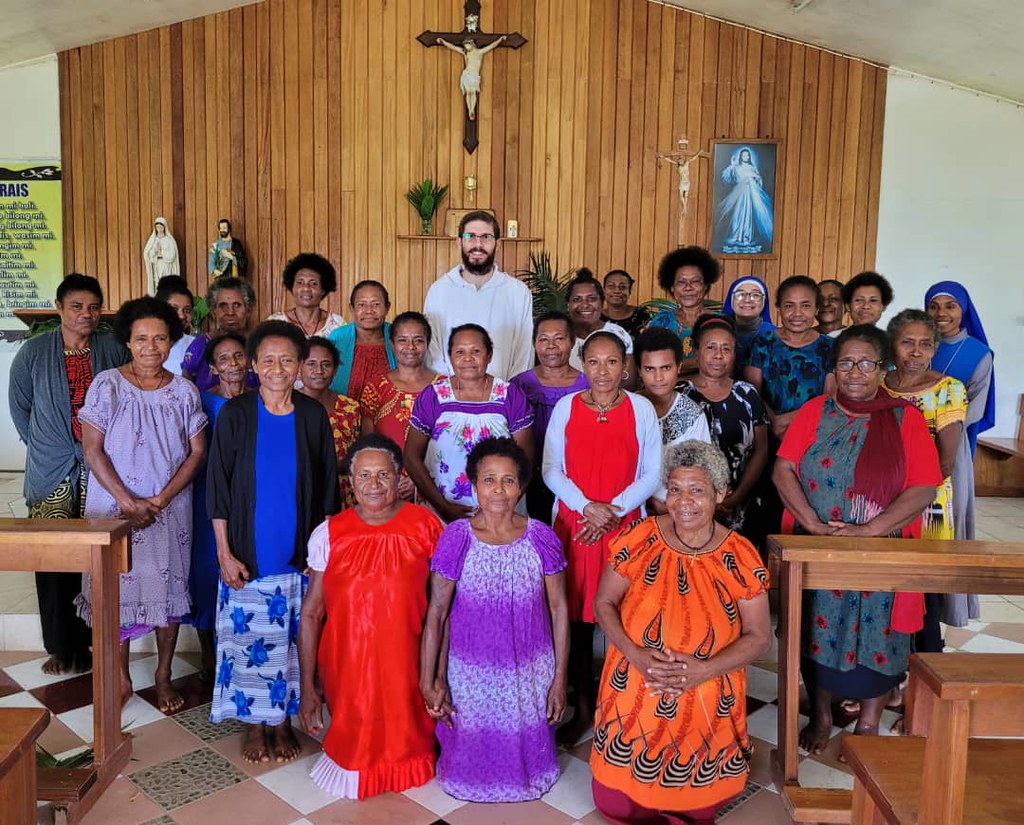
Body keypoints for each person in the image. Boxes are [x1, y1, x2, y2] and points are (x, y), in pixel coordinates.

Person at [773, 325, 941, 751]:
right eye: (846, 362)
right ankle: (823, 716)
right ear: (834, 368)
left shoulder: (906, 419)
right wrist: (810, 522)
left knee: (880, 636)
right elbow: (784, 469)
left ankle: (868, 724)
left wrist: (870, 530)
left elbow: (923, 487)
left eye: (866, 363)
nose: (855, 372)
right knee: (813, 630)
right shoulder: (814, 412)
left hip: (880, 553)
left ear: (881, 368)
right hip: (821, 551)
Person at [591, 441, 772, 825]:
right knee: (619, 804)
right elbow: (603, 604)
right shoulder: (639, 538)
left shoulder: (740, 556)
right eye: (674, 489)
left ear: (720, 494)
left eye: (697, 490)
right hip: (634, 683)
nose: (683, 501)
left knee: (695, 808)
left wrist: (702, 671)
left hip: (705, 699)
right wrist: (635, 655)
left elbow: (760, 636)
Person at [207, 321, 340, 763]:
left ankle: (282, 721)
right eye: (268, 360)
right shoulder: (237, 414)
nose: (278, 368)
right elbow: (218, 489)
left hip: (298, 555)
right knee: (250, 642)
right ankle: (254, 724)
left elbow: (326, 491)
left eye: (287, 360)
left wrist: (320, 554)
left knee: (291, 644)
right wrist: (224, 553)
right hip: (247, 553)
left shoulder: (312, 415)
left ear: (300, 365)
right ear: (253, 365)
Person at [75, 297, 207, 711]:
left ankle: (163, 678)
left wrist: (160, 499)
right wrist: (126, 501)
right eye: (142, 339)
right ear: (128, 342)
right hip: (114, 511)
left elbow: (197, 452)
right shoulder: (107, 384)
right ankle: (120, 679)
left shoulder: (184, 391)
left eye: (161, 338)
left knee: (166, 595)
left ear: (172, 341)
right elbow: (92, 449)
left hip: (168, 511)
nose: (152, 347)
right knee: (115, 593)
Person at [421, 437, 569, 801]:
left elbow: (559, 609)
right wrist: (430, 678)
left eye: (508, 480)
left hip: (530, 668)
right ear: (473, 485)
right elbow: (438, 612)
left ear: (521, 486)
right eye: (488, 480)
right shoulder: (457, 538)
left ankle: (525, 776)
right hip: (471, 670)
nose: (498, 490)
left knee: (524, 733)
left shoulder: (542, 539)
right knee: (473, 732)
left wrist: (559, 681)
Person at [299, 435, 443, 799]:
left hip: (408, 659)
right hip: (347, 662)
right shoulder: (330, 534)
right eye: (364, 476)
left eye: (383, 475)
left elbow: (443, 609)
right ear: (350, 481)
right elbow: (313, 612)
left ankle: (406, 762)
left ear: (399, 479)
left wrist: (439, 673)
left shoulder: (426, 526)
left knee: (405, 726)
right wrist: (307, 687)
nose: (374, 485)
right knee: (356, 722)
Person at [542, 331, 662, 746]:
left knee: (623, 617)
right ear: (583, 365)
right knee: (573, 619)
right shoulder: (566, 407)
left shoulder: (641, 409)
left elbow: (651, 473)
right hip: (575, 527)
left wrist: (611, 510)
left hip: (625, 528)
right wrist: (586, 507)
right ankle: (582, 706)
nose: (603, 371)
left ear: (625, 365)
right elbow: (551, 469)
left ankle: (620, 707)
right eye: (594, 362)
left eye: (612, 362)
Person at [9, 274, 129, 675]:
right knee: (54, 557)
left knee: (97, 556)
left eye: (94, 307)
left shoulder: (113, 348)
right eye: (77, 306)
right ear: (59, 307)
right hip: (52, 469)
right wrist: (52, 447)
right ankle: (60, 646)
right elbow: (21, 409)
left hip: (103, 467)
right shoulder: (33, 352)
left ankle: (94, 640)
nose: (86, 314)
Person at [883, 309, 977, 636]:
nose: (916, 352)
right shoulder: (879, 385)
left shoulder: (948, 390)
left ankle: (926, 657)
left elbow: (945, 461)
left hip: (929, 503)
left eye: (925, 344)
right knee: (886, 584)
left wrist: (906, 497)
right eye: (907, 342)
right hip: (879, 501)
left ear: (935, 349)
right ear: (891, 346)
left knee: (923, 589)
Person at [405, 324, 534, 521]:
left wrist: (501, 508)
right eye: (459, 352)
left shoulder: (509, 395)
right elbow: (411, 456)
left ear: (489, 355)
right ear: (450, 356)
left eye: (476, 351)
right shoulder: (433, 396)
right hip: (440, 510)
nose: (468, 359)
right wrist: (443, 507)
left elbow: (526, 460)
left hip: (502, 512)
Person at [185, 332, 251, 682]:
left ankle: (240, 649)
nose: (233, 365)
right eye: (224, 359)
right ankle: (208, 653)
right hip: (208, 494)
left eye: (239, 356)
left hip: (246, 498)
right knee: (208, 569)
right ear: (213, 367)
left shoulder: (259, 401)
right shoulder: (202, 402)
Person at [423, 211, 534, 381]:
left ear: (498, 244)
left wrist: (508, 393)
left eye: (486, 237)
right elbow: (433, 351)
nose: (478, 244)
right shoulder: (439, 291)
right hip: (452, 399)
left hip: (503, 398)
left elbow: (524, 351)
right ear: (459, 242)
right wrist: (453, 392)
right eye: (471, 236)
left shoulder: (518, 292)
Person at [684, 315, 769, 535]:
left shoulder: (747, 393)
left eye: (726, 349)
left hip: (741, 504)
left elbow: (761, 449)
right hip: (688, 506)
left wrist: (736, 497)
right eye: (710, 347)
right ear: (696, 351)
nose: (718, 356)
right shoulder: (680, 394)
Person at [510, 311, 589, 522]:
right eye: (544, 339)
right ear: (535, 344)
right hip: (531, 478)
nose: (551, 346)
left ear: (572, 342)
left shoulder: (588, 385)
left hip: (577, 480)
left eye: (559, 338)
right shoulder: (518, 385)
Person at [359, 311, 437, 502]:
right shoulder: (376, 386)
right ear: (392, 344)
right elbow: (368, 442)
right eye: (403, 340)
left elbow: (447, 442)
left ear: (428, 343)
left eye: (418, 340)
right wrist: (392, 478)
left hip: (433, 485)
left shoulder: (442, 388)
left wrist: (417, 479)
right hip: (385, 485)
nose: (410, 347)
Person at [744, 275, 834, 440]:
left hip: (813, 433)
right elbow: (751, 392)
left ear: (816, 309)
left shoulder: (829, 347)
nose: (797, 313)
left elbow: (828, 399)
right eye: (789, 306)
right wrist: (772, 422)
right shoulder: (763, 343)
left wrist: (784, 421)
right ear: (779, 308)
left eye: (805, 305)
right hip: (766, 432)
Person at [633, 327, 711, 512]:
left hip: (676, 509)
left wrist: (668, 501)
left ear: (679, 368)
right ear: (639, 371)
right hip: (629, 505)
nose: (658, 377)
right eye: (650, 369)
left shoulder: (692, 414)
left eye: (666, 368)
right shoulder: (627, 408)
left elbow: (698, 470)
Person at [925, 281, 995, 461]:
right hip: (912, 435)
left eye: (950, 306)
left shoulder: (979, 353)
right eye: (933, 307)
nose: (941, 313)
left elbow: (976, 407)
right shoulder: (918, 345)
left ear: (963, 310)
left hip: (952, 438)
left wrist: (939, 431)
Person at [647, 246, 721, 376]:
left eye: (695, 281)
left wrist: (672, 366)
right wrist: (702, 362)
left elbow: (726, 363)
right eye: (681, 282)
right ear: (672, 288)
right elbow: (649, 362)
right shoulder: (661, 321)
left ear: (705, 286)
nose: (688, 288)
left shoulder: (720, 322)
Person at [182, 277, 258, 392]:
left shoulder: (259, 345)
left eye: (237, 305)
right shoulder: (201, 345)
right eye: (223, 306)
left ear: (248, 309)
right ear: (213, 311)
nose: (230, 312)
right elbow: (185, 386)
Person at [298, 337, 362, 476]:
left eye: (326, 364)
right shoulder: (287, 405)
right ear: (299, 367)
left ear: (335, 369)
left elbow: (359, 454)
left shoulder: (350, 407)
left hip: (343, 489)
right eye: (311, 364)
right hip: (301, 488)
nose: (319, 371)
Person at [326, 279, 397, 401]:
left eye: (376, 304)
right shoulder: (338, 337)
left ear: (387, 307)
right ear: (352, 308)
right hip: (344, 416)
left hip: (390, 414)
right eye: (361, 305)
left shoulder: (397, 336)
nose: (369, 311)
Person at [565, 270, 635, 383]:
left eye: (591, 299)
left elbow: (629, 382)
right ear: (568, 305)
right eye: (577, 299)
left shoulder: (617, 334)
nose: (585, 305)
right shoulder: (560, 336)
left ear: (602, 303)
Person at [267, 252, 344, 338]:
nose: (306, 288)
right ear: (292, 287)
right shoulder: (275, 323)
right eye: (300, 283)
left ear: (323, 289)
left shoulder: (338, 325)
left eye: (313, 284)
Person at [715, 146, 774, 255]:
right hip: (739, 194)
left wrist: (755, 179)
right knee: (738, 215)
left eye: (747, 155)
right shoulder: (736, 167)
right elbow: (727, 178)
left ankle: (746, 237)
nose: (745, 157)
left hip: (750, 195)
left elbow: (759, 181)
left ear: (749, 157)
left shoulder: (752, 167)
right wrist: (732, 165)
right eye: (743, 155)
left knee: (748, 216)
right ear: (741, 156)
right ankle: (736, 235)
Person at [435, 35, 507, 121]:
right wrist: (442, 41)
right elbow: (453, 47)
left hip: (474, 75)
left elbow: (492, 45)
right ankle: (470, 110)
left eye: (467, 45)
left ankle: (472, 109)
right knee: (468, 92)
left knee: (473, 92)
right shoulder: (465, 52)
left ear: (472, 44)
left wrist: (501, 39)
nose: (466, 47)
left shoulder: (479, 52)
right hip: (467, 74)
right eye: (465, 46)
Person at [721, 276, 774, 369]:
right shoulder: (716, 331)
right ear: (731, 300)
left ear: (764, 302)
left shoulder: (776, 335)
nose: (747, 300)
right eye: (740, 294)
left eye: (755, 295)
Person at [155, 275, 195, 376]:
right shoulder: (142, 345)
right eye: (174, 309)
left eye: (187, 310)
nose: (181, 316)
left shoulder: (195, 345)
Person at [601, 269, 650, 339]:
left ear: (629, 291)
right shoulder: (597, 317)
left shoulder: (641, 314)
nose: (617, 291)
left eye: (622, 287)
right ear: (604, 291)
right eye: (611, 286)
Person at [144, 217, 180, 296]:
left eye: (161, 227)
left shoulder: (169, 240)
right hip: (157, 265)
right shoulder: (153, 240)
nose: (159, 229)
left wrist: (161, 252)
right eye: (157, 227)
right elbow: (147, 253)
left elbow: (172, 255)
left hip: (166, 265)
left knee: (166, 283)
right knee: (157, 282)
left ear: (164, 227)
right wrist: (154, 252)